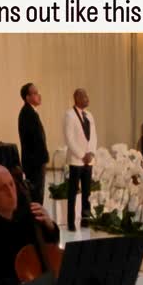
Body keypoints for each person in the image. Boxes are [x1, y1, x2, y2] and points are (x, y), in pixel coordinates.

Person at [64, 88, 97, 231]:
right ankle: (71, 222)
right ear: (76, 98)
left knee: (87, 192)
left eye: (87, 95)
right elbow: (69, 138)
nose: (87, 98)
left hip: (88, 160)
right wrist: (82, 155)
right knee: (73, 192)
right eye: (84, 96)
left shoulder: (89, 115)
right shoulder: (69, 115)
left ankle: (85, 219)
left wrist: (91, 153)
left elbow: (93, 136)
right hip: (77, 160)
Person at [18, 82, 49, 205]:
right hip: (34, 162)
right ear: (27, 97)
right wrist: (43, 157)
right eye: (35, 93)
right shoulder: (27, 113)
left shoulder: (30, 112)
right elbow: (34, 140)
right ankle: (36, 222)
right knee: (36, 195)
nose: (39, 96)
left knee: (37, 194)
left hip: (35, 161)